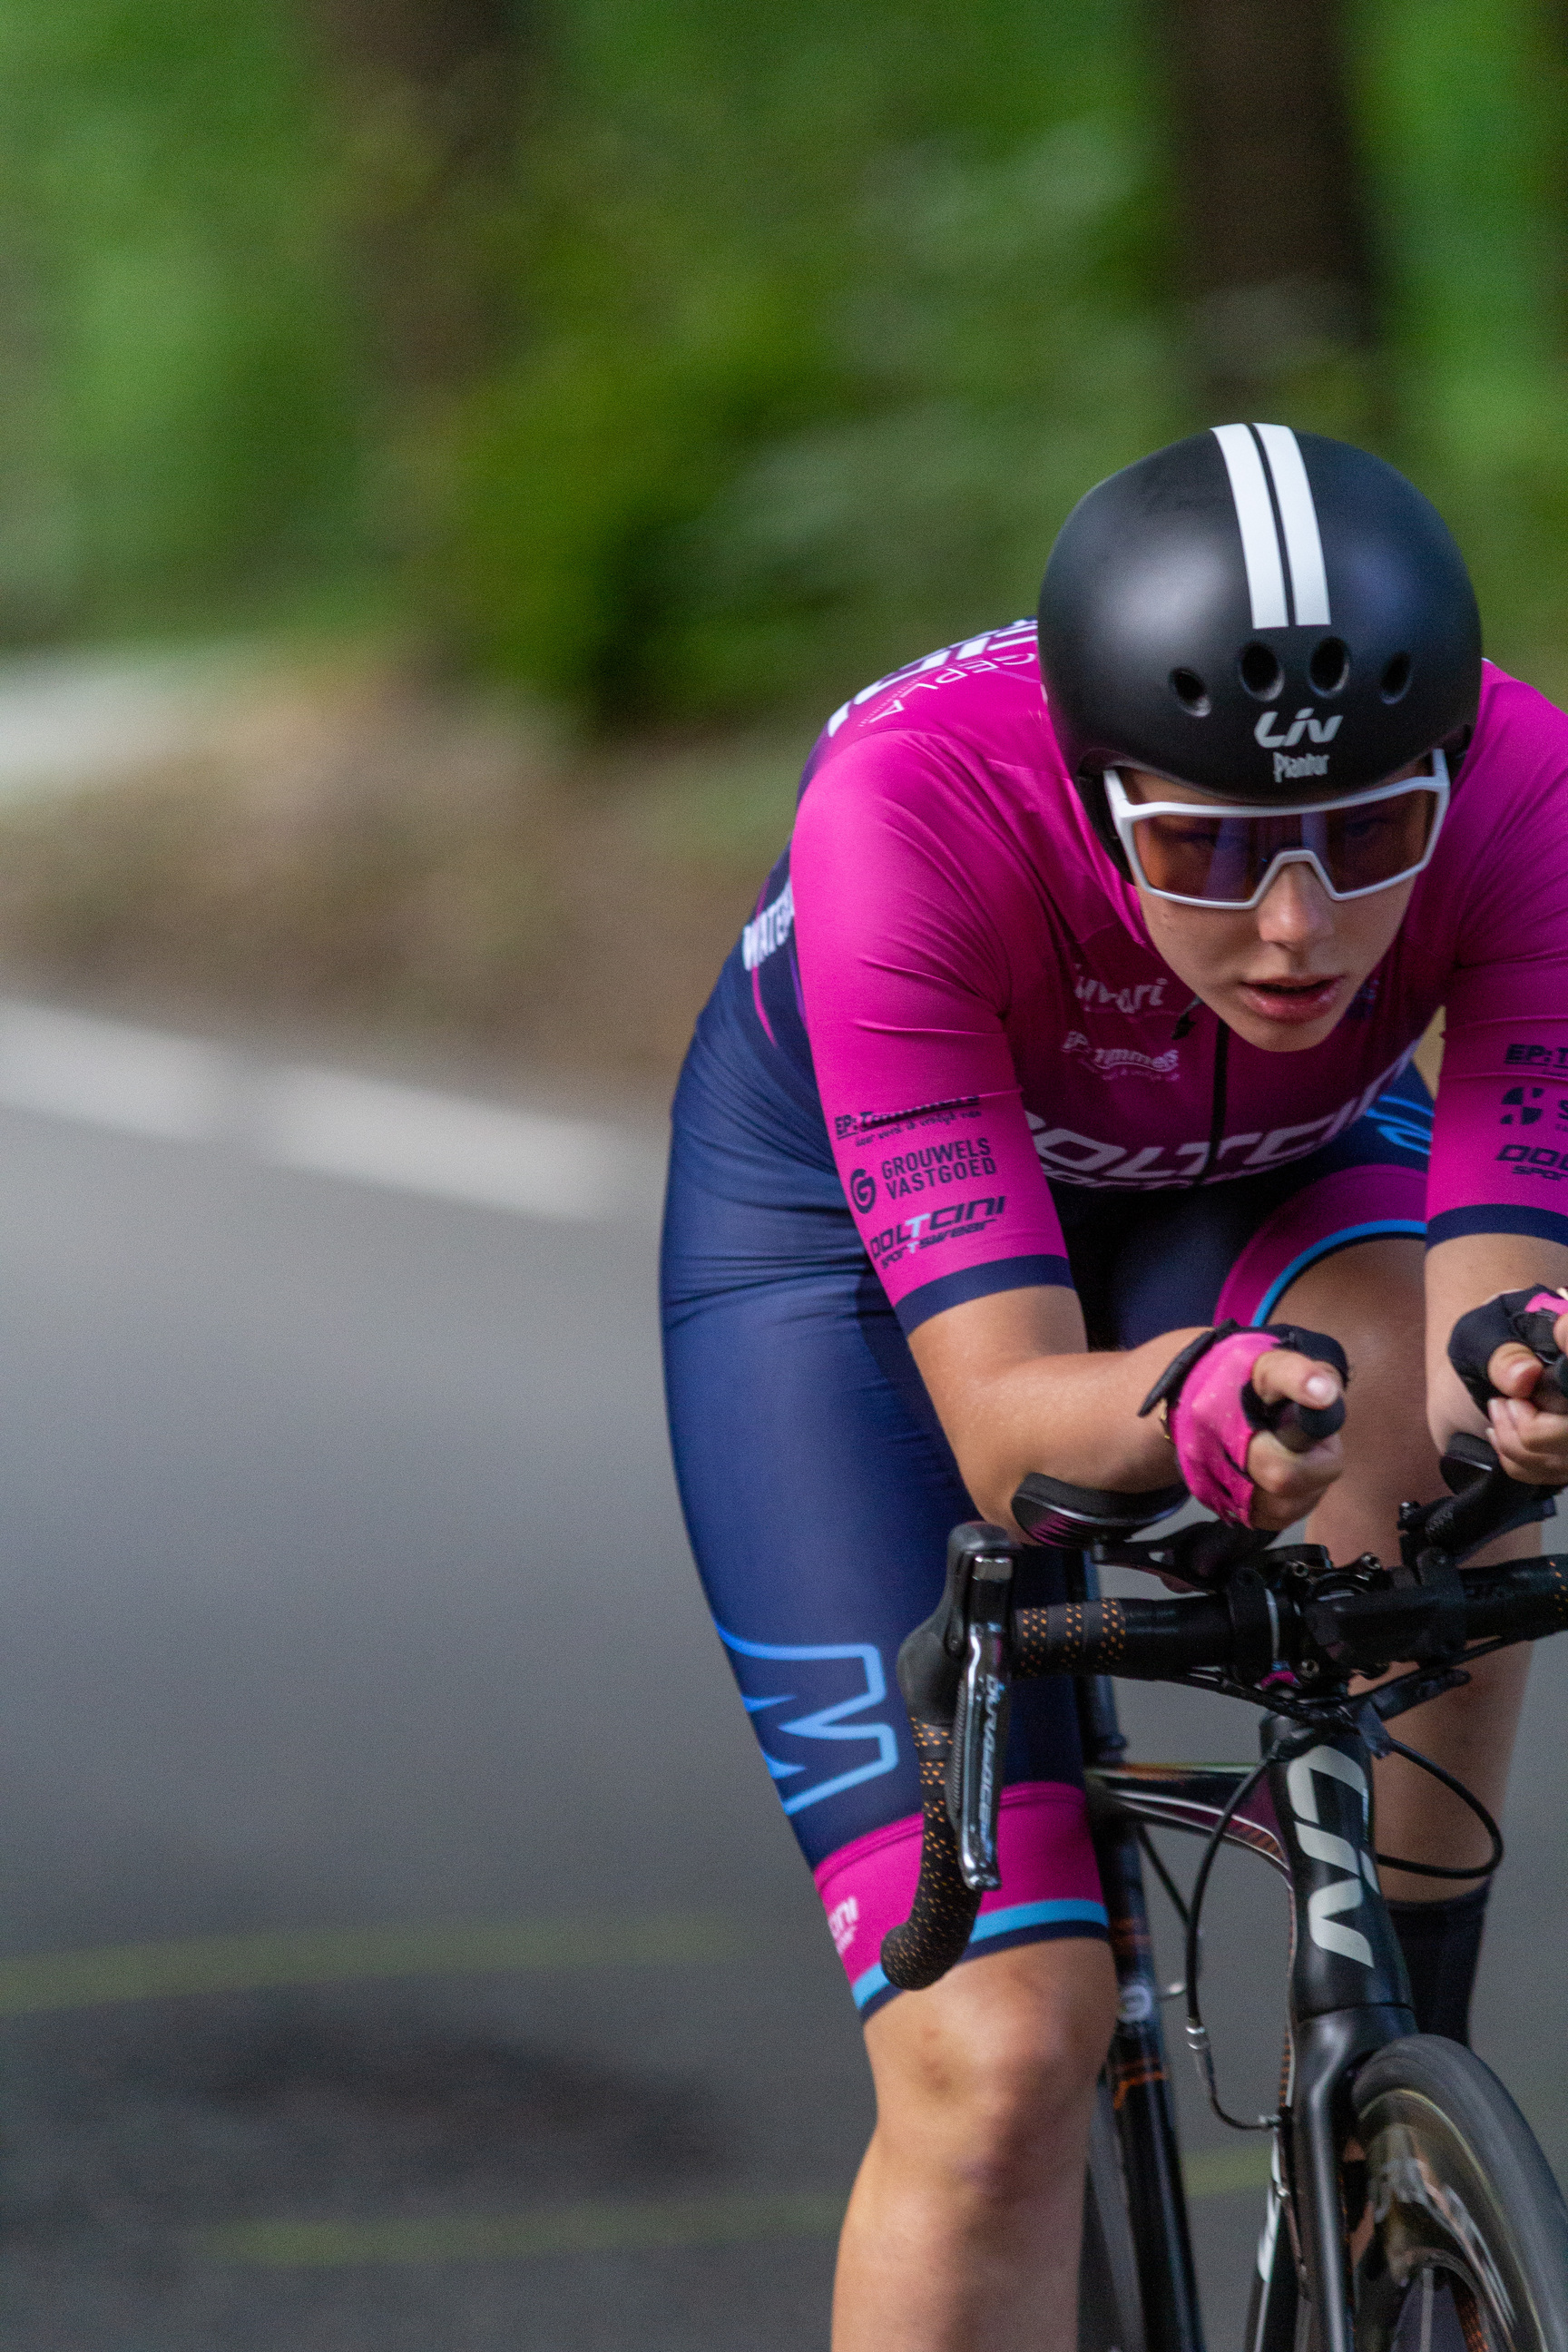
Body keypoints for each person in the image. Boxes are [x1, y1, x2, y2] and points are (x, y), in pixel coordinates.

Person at [660, 424, 1568, 2351]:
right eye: (1212, 852)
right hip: (845, 1266)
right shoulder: (911, 815)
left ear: (1445, 780)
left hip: (1258, 1176)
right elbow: (1009, 1430)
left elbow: (1506, 1283)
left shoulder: (1530, 784)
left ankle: (1402, 2050)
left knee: (1446, 1452)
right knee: (1002, 2065)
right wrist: (1202, 1410)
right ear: (1095, 797)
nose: (1299, 929)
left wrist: (1527, 1378)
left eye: (1368, 839)